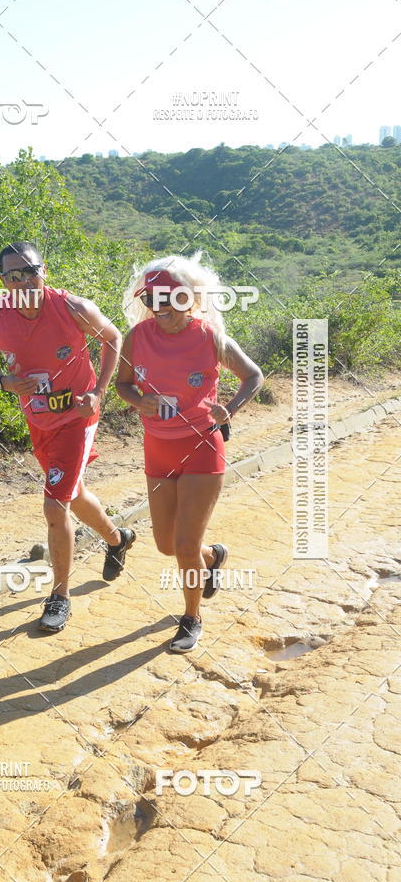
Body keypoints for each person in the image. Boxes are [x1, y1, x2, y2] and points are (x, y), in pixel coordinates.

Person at [0, 241, 136, 633]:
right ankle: (117, 539)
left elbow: (113, 337)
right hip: (38, 419)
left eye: (30, 271)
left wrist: (98, 393)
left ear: (43, 270)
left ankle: (59, 597)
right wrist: (3, 382)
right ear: (3, 281)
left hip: (77, 418)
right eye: (14, 276)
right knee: (73, 493)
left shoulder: (72, 308)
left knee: (54, 505)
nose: (24, 281)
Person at [115, 253, 264, 653]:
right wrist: (139, 402)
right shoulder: (136, 337)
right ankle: (211, 557)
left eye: (170, 297)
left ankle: (192, 617)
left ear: (190, 297)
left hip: (202, 448)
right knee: (167, 544)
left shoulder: (210, 337)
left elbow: (253, 375)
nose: (160, 306)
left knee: (182, 546)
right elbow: (122, 384)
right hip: (158, 448)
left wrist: (228, 409)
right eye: (151, 299)